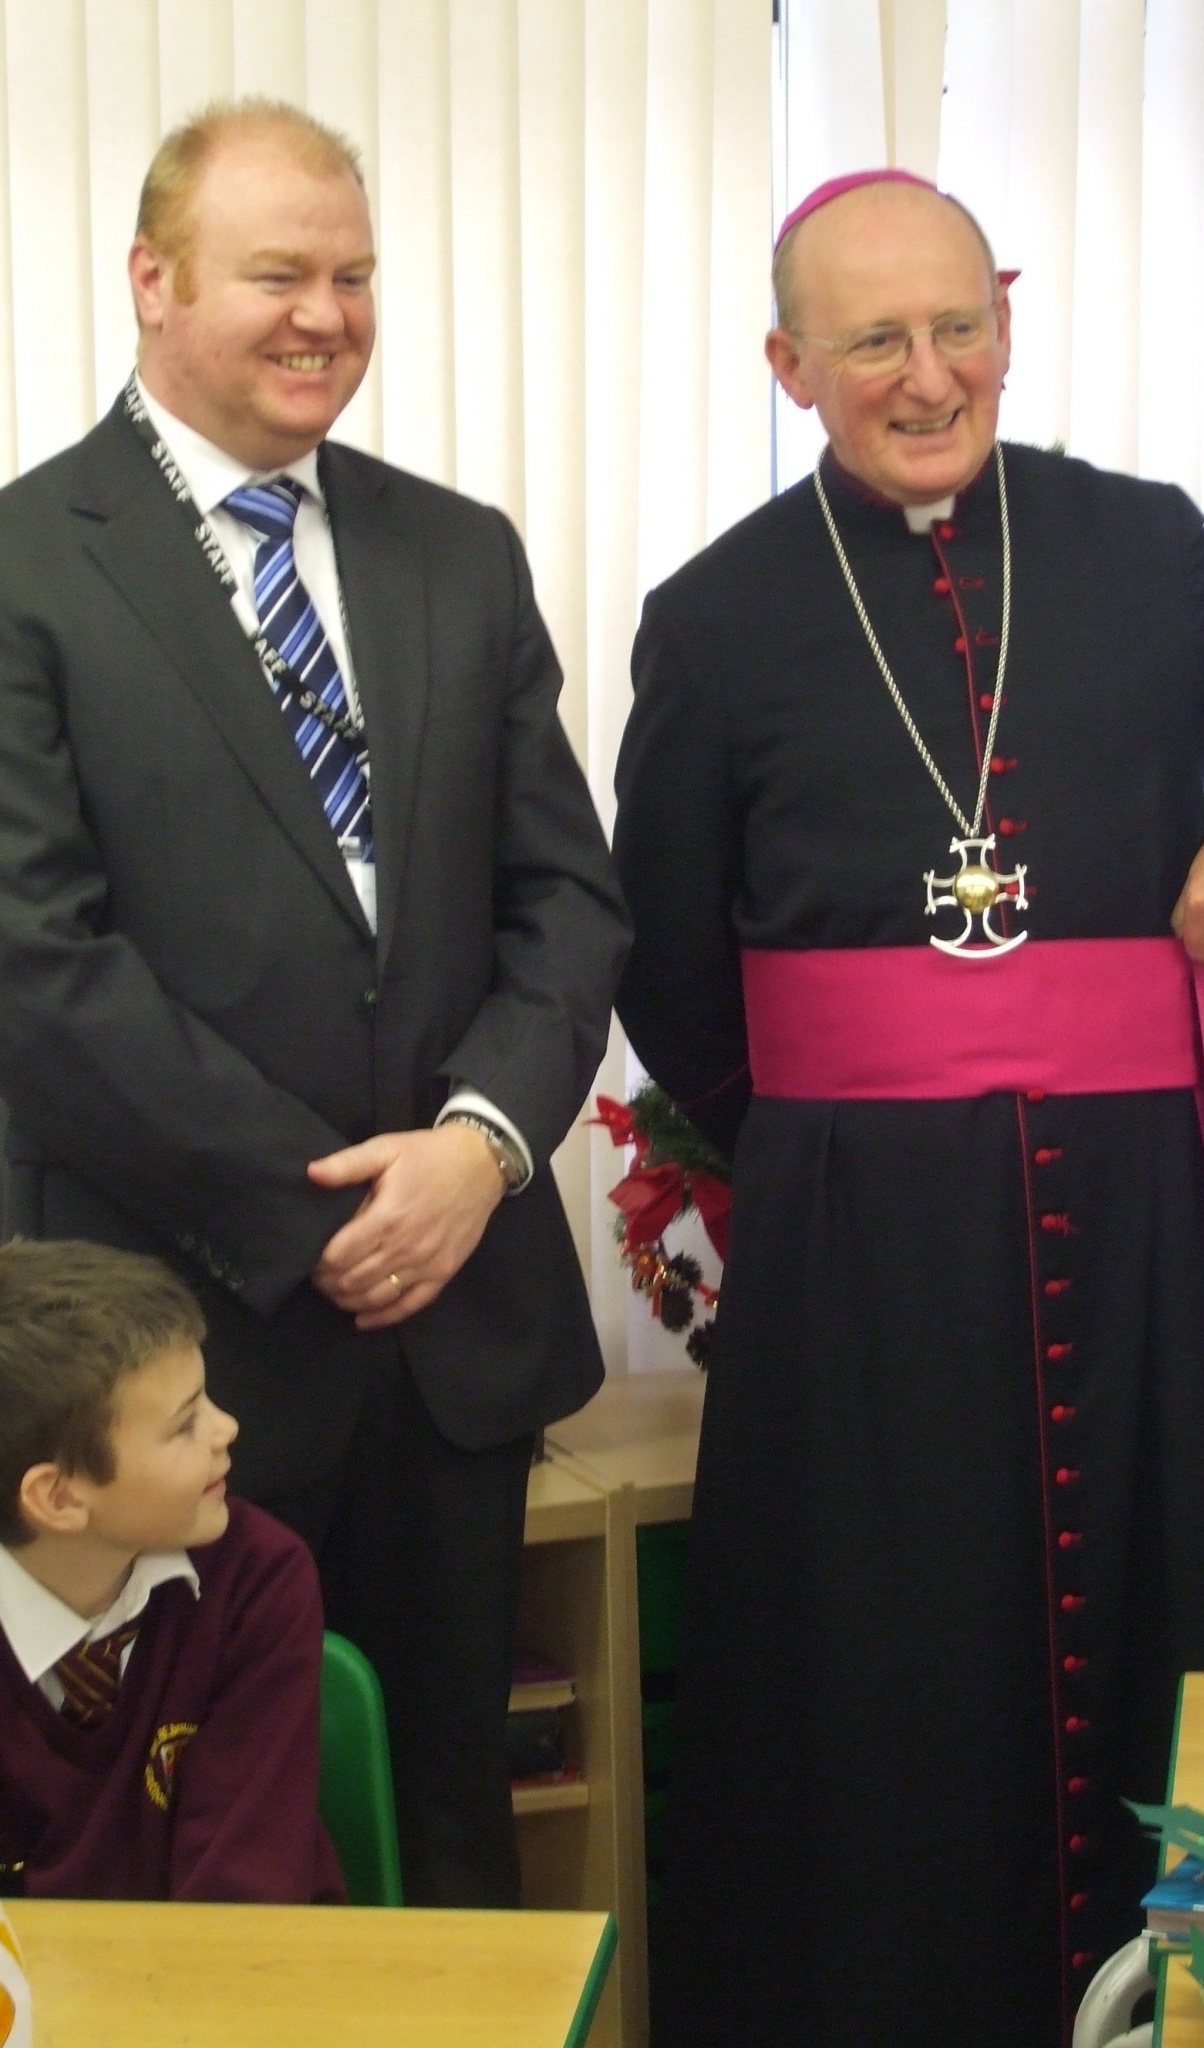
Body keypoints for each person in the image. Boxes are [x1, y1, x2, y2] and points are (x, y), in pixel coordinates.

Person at [613, 170, 1204, 2048]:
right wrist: (846, 1126)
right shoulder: (718, 616)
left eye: (961, 325)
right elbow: (666, 955)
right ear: (788, 364)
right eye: (874, 343)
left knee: (1144, 1623)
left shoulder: (1135, 548)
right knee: (877, 1674)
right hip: (858, 1236)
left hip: (1135, 1215)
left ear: (1004, 314)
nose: (931, 377)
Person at [0, 99, 629, 1907]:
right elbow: (41, 971)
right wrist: (328, 1208)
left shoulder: (459, 552)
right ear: (153, 281)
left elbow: (567, 904)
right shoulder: (31, 563)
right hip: (164, 1363)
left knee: (445, 1836)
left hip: (454, 1339)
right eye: (279, 271)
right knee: (193, 1870)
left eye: (354, 275)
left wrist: (473, 1152)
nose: (325, 314)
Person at [0, 1237, 342, 1903]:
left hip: (229, 1984)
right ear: (60, 1498)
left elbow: (246, 1891)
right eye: (185, 1425)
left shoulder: (255, 1579)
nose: (227, 1428)